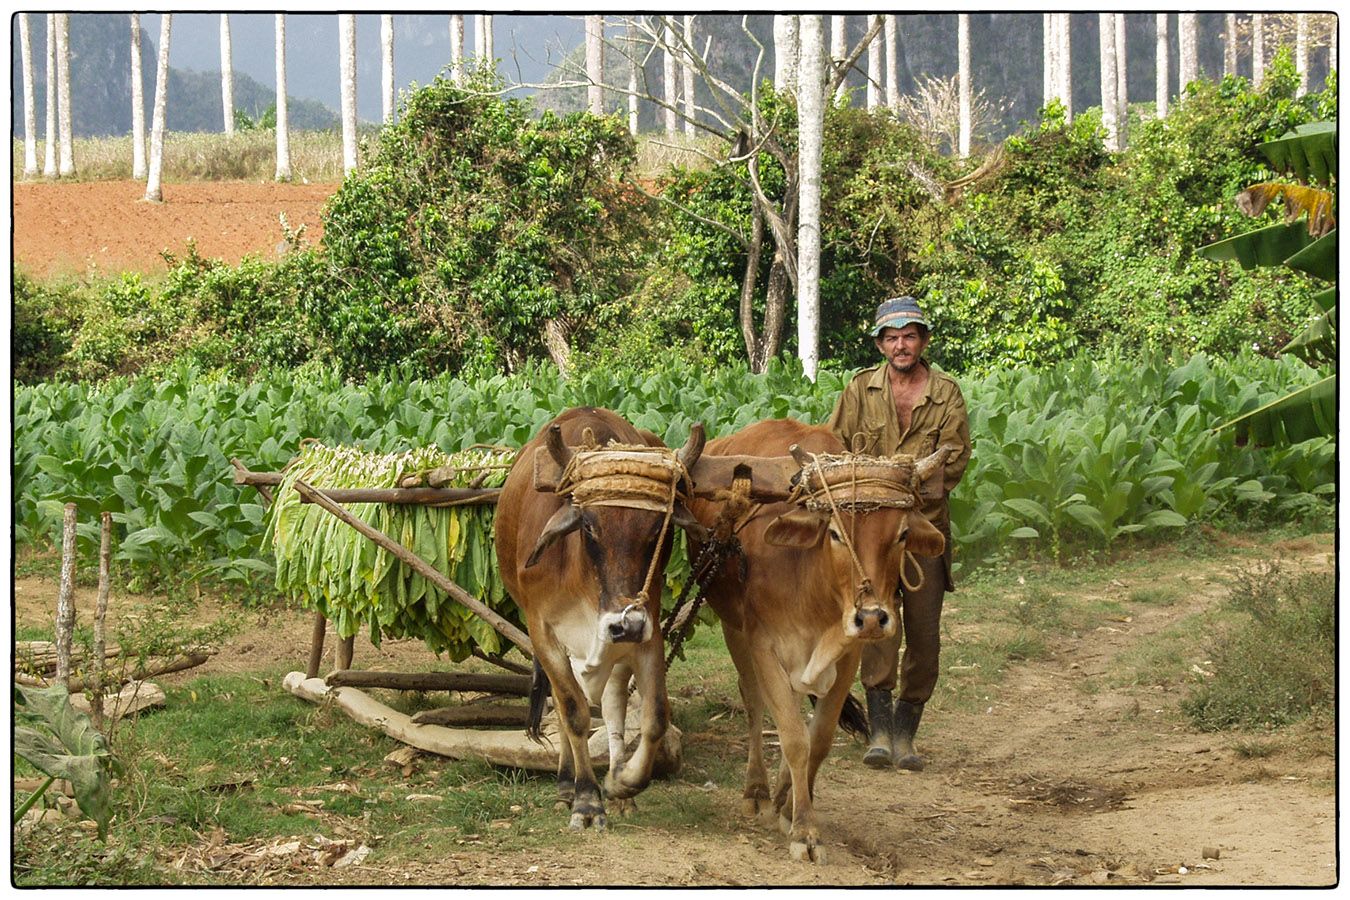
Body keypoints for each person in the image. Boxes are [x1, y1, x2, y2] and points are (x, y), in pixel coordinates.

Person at [827, 296, 971, 770]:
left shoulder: (946, 393)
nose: (901, 345)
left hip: (922, 529)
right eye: (891, 338)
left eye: (909, 336)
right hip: (871, 537)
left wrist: (898, 493)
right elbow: (835, 448)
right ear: (880, 345)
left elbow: (953, 461)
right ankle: (880, 733)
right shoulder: (859, 390)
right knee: (877, 627)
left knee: (925, 638)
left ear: (923, 341)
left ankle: (907, 732)